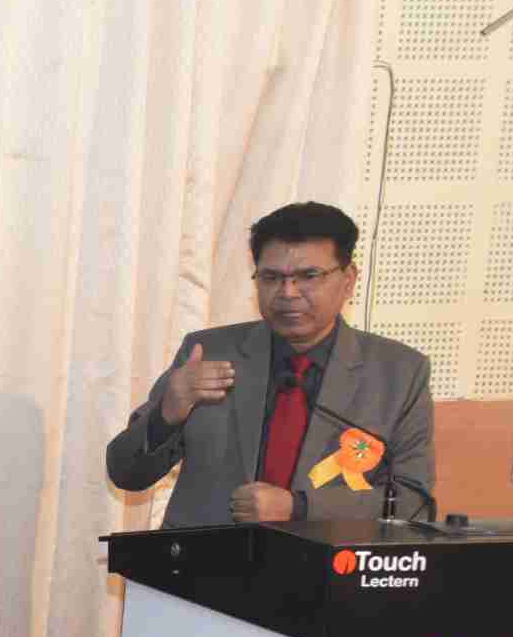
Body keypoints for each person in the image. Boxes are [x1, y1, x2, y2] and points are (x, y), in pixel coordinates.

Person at [106, 201, 435, 528]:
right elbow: (126, 474)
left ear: (348, 280)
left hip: (325, 560)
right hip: (206, 559)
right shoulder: (209, 353)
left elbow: (413, 503)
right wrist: (168, 413)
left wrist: (300, 508)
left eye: (308, 276)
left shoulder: (399, 373)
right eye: (271, 277)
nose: (287, 292)